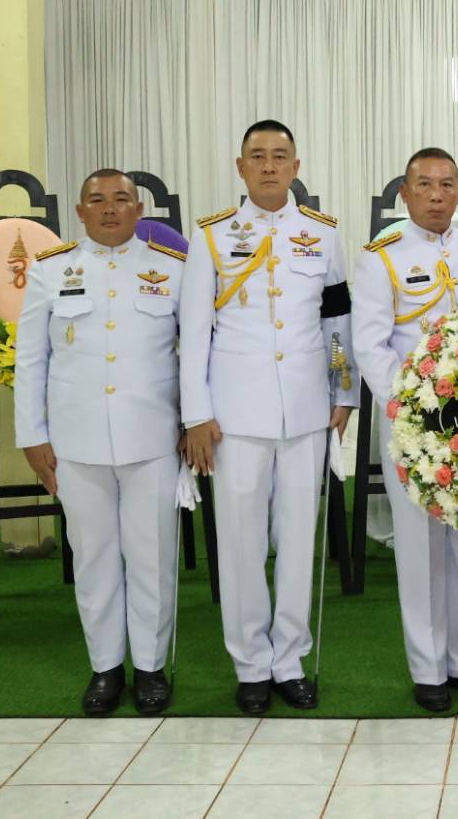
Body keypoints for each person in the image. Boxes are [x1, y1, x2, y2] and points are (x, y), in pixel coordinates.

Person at [180, 120, 359, 715]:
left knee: (299, 540)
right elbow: (193, 333)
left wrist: (343, 390)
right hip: (234, 415)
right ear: (241, 167)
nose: (269, 166)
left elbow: (337, 323)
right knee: (241, 543)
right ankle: (252, 665)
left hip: (306, 410)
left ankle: (290, 661)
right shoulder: (211, 236)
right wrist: (196, 413)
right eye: (257, 156)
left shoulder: (322, 234)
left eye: (280, 156)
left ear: (296, 166)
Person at [14, 169, 185, 716]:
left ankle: (151, 668)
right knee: (93, 558)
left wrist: (192, 422)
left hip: (151, 438)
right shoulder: (50, 270)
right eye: (97, 200)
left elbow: (193, 354)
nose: (110, 208)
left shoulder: (172, 269)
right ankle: (106, 667)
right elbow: (30, 359)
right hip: (76, 441)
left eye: (121, 199)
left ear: (139, 210)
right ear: (80, 212)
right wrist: (32, 436)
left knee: (152, 558)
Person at [352, 147, 458, 713]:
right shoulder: (380, 257)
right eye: (424, 185)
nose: (436, 195)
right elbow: (369, 344)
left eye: (446, 185)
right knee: (418, 548)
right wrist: (411, 406)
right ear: (406, 193)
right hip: (412, 423)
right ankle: (428, 669)